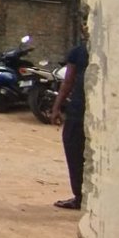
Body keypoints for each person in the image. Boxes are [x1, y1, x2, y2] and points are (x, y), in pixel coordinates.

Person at [50, 23, 89, 210]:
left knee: (75, 153)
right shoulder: (84, 52)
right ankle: (84, 196)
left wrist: (57, 107)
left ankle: (80, 196)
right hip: (83, 111)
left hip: (78, 111)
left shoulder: (79, 52)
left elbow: (68, 81)